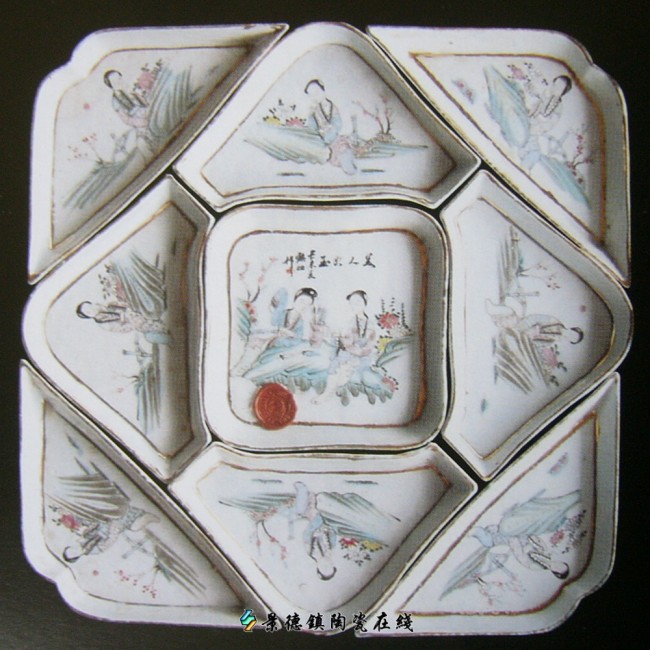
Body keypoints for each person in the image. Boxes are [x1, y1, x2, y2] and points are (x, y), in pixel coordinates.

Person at [304, 79, 356, 174]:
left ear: (323, 90)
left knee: (343, 148)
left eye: (316, 92)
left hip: (335, 137)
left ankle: (347, 164)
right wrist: (311, 115)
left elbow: (338, 125)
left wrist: (328, 136)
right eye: (311, 95)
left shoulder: (333, 106)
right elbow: (312, 128)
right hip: (320, 139)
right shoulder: (314, 110)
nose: (315, 97)